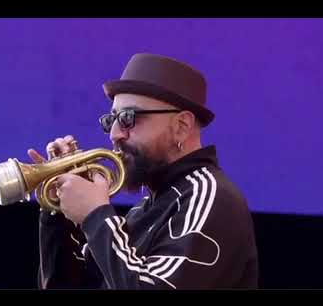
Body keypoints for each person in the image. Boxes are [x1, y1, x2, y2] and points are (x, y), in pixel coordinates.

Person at [28, 53, 259, 289]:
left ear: (181, 127)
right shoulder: (144, 209)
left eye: (129, 117)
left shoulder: (211, 197)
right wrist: (57, 214)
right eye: (112, 119)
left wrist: (95, 215)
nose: (114, 134)